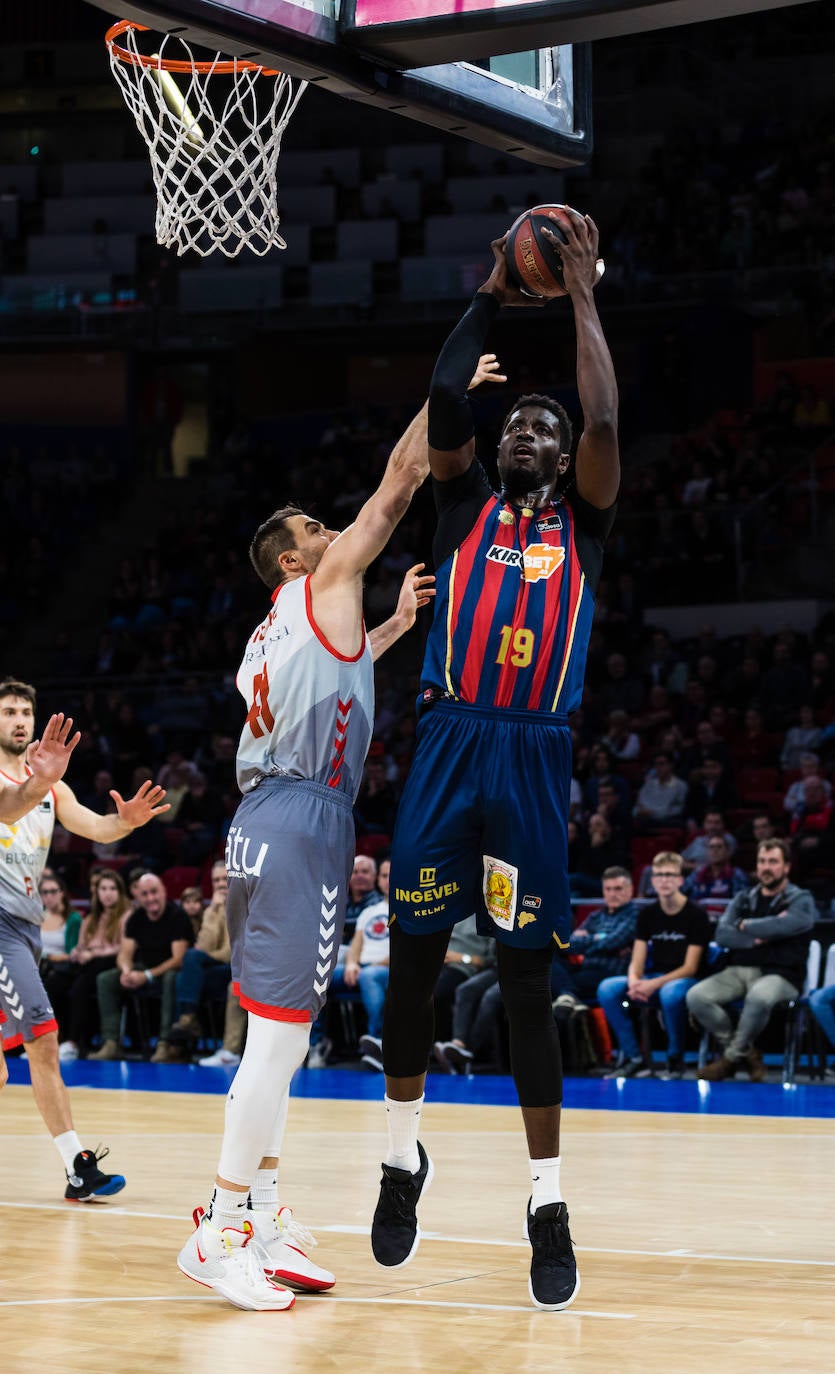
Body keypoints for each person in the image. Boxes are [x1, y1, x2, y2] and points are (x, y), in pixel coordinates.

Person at [371, 211, 619, 1313]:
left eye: (539, 427)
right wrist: (488, 287)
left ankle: (546, 1202)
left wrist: (580, 292)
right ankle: (400, 1157)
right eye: (513, 420)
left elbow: (602, 412)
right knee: (414, 963)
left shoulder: (587, 525)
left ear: (564, 459)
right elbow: (441, 399)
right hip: (448, 742)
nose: (523, 431)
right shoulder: (461, 503)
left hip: (530, 758)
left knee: (524, 985)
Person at [175, 369, 456, 1312]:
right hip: (303, 821)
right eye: (316, 530)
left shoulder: (269, 633)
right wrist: (446, 390)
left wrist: (394, 626)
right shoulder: (325, 582)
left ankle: (260, 1212)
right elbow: (400, 482)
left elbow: (332, 673)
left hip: (259, 822)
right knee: (282, 1041)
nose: (335, 531)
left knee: (275, 1037)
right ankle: (219, 1228)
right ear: (295, 562)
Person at [0, 678, 167, 1200]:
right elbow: (8, 807)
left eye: (25, 712)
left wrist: (126, 822)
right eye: (8, 712)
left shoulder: (51, 786)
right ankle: (78, 1166)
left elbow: (97, 828)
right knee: (43, 1036)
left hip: (24, 926)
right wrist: (39, 781)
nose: (19, 720)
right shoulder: (28, 783)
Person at [688, 839, 816, 1082]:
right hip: (738, 969)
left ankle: (729, 1059)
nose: (766, 867)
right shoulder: (744, 898)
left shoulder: (801, 899)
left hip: (781, 973)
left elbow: (787, 924)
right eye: (762, 861)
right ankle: (746, 1053)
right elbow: (722, 934)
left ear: (786, 867)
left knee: (758, 996)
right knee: (696, 996)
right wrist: (757, 938)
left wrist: (745, 925)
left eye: (773, 862)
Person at [597, 852, 710, 1079]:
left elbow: (690, 967)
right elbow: (637, 960)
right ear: (653, 881)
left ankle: (675, 1058)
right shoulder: (647, 914)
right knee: (607, 988)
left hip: (686, 980)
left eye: (669, 875)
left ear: (680, 880)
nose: (664, 880)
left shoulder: (696, 914)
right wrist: (634, 981)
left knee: (670, 993)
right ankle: (634, 1058)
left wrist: (652, 985)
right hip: (655, 976)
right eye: (658, 875)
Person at [91, 872, 194, 1063]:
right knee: (106, 979)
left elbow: (178, 960)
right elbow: (124, 953)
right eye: (144, 894)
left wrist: (146, 975)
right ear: (138, 896)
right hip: (144, 967)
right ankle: (111, 1042)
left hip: (170, 971)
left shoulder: (177, 916)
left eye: (154, 892)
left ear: (163, 891)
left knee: (172, 978)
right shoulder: (136, 917)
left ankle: (165, 1043)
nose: (150, 898)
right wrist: (126, 971)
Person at [44, 867, 131, 1060]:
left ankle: (73, 1042)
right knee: (54, 983)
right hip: (87, 963)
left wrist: (92, 954)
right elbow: (81, 945)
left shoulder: (127, 915)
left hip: (112, 961)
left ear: (120, 891)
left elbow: (123, 947)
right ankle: (55, 1040)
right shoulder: (91, 918)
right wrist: (77, 952)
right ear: (96, 892)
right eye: (103, 889)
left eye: (112, 888)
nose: (107, 893)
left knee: (80, 986)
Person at [326, 856, 389, 1071]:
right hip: (363, 969)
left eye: (392, 876)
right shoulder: (369, 912)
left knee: (369, 976)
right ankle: (314, 1043)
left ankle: (379, 1042)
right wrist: (353, 963)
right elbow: (356, 945)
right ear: (379, 880)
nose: (388, 880)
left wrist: (373, 965)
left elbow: (404, 952)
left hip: (388, 970)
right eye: (385, 876)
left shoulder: (408, 910)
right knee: (319, 978)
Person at [550, 867, 640, 1011]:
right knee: (547, 959)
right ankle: (567, 997)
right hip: (585, 967)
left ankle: (567, 996)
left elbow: (611, 942)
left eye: (618, 889)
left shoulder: (635, 915)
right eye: (608, 889)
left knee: (555, 985)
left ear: (630, 890)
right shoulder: (595, 916)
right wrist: (598, 938)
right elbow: (568, 944)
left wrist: (587, 940)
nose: (612, 894)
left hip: (610, 972)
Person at [167, 861, 232, 1057]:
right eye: (216, 880)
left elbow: (229, 953)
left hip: (239, 968)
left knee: (191, 962)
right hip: (220, 967)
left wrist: (205, 956)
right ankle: (182, 1032)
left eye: (225, 879)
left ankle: (186, 1026)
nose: (220, 884)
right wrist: (212, 911)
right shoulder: (213, 909)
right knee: (181, 976)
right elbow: (205, 945)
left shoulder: (243, 906)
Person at [683, 836, 749, 903]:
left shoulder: (737, 875)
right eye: (711, 847)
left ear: (727, 851)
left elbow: (742, 902)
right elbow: (681, 893)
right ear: (707, 852)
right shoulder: (697, 874)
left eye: (719, 847)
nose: (715, 850)